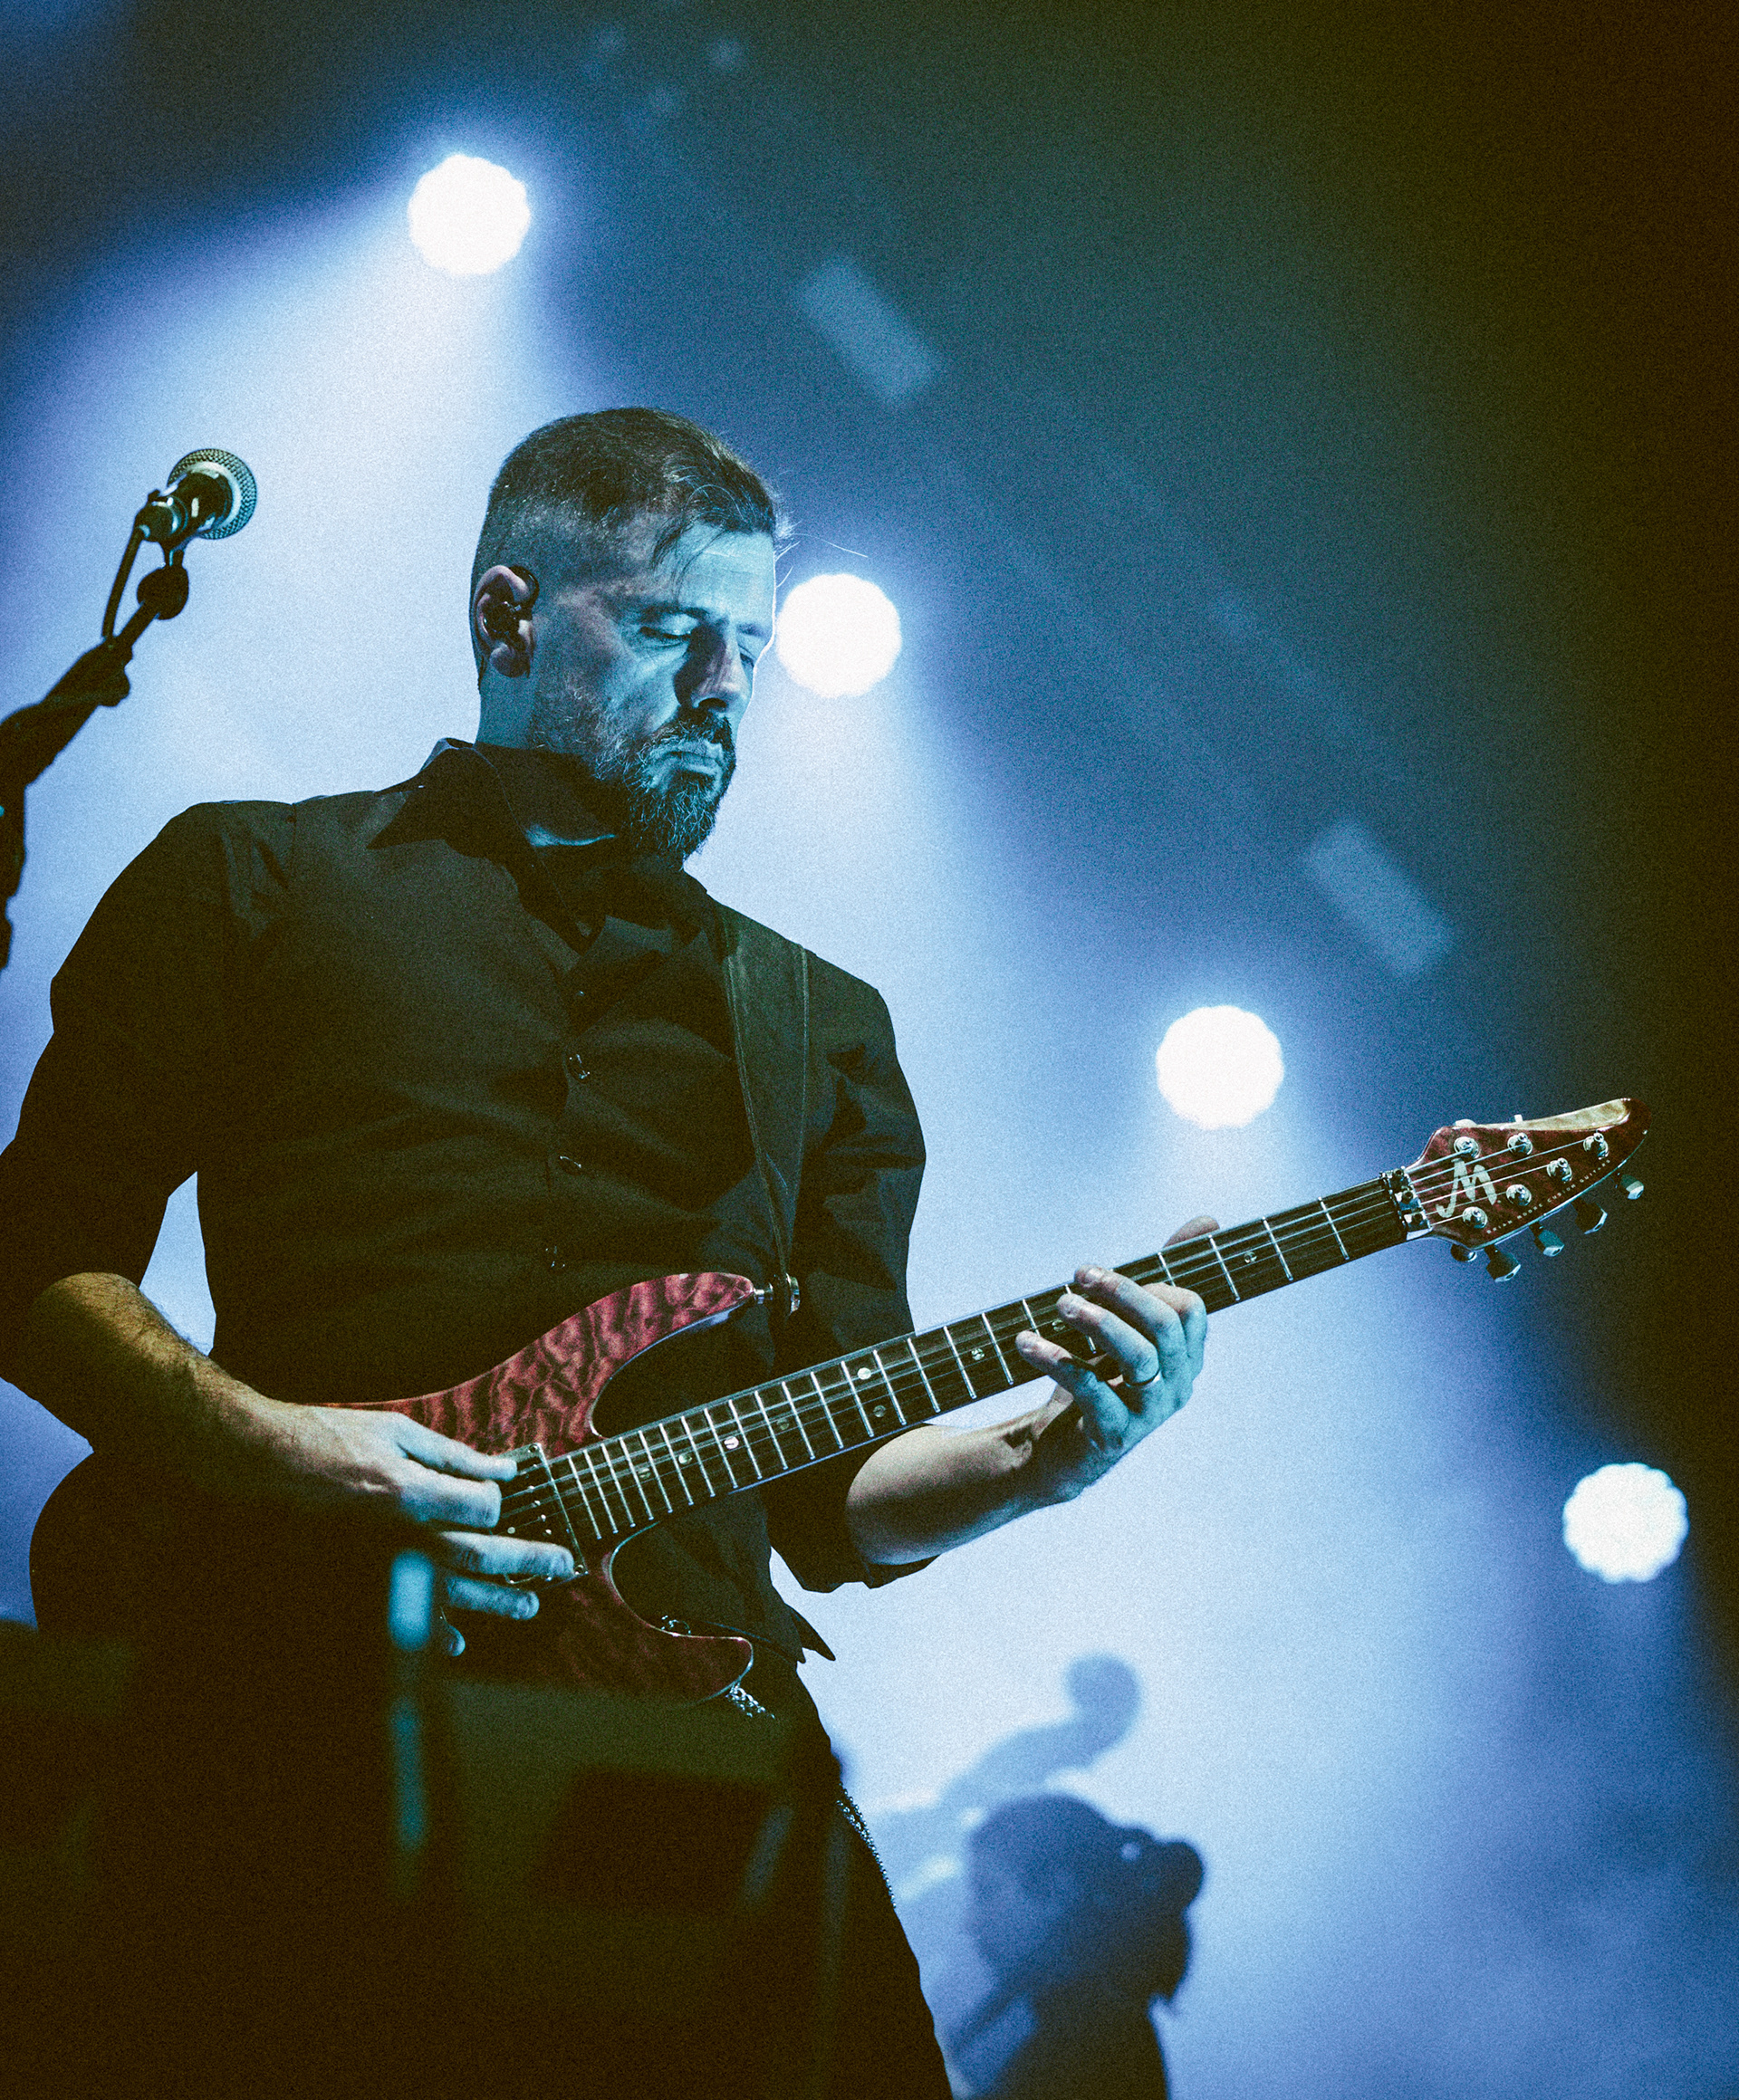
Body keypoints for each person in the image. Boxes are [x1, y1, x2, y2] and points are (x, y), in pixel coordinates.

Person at [0, 408, 1210, 2094]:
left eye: (751, 649)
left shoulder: (821, 1029)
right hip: (287, 1694)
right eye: (667, 630)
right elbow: (35, 1263)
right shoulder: (250, 880)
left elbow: (833, 1505)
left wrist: (1049, 1459)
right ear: (508, 616)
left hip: (675, 1753)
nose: (723, 689)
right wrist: (286, 1454)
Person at [953, 1793, 1205, 2099]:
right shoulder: (1104, 2034)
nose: (970, 1922)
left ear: (1059, 1892)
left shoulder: (1091, 2049)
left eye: (986, 1892)